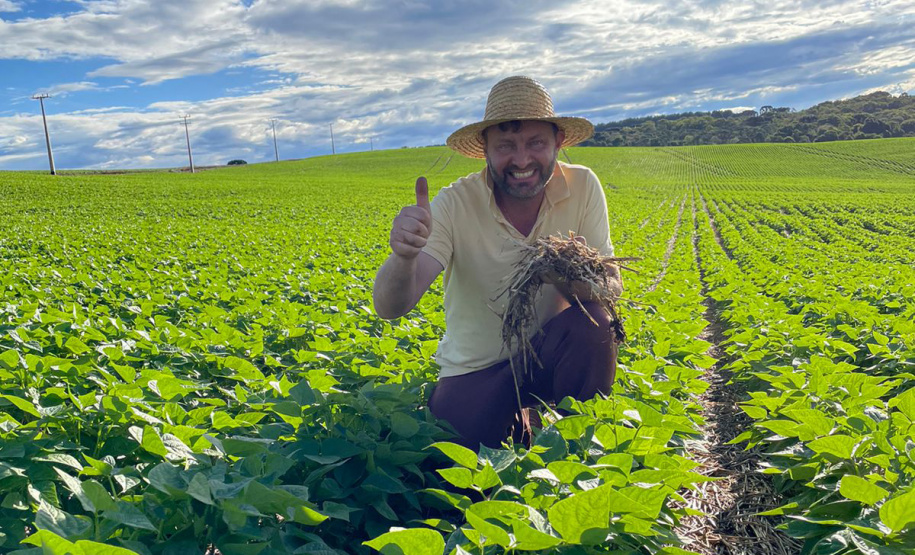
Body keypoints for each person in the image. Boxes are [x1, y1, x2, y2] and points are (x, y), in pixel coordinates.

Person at [373, 76, 622, 449]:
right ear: (485, 150)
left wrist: (566, 276)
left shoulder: (583, 187)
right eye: (506, 146)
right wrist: (403, 257)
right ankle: (515, 418)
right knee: (458, 476)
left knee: (596, 325)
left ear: (558, 142)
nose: (521, 160)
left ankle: (575, 444)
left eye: (535, 143)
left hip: (547, 354)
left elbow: (612, 286)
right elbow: (390, 306)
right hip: (478, 368)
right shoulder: (455, 204)